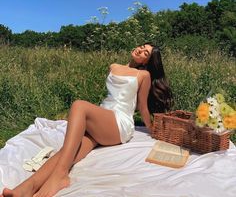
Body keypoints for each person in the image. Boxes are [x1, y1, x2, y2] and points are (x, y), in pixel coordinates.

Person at [1, 43, 173, 197]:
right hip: (101, 120)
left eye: (146, 53)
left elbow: (142, 107)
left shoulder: (143, 75)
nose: (141, 50)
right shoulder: (113, 66)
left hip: (119, 123)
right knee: (67, 151)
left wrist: (151, 129)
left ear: (146, 61)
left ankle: (60, 175)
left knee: (79, 105)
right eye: (142, 47)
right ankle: (26, 188)